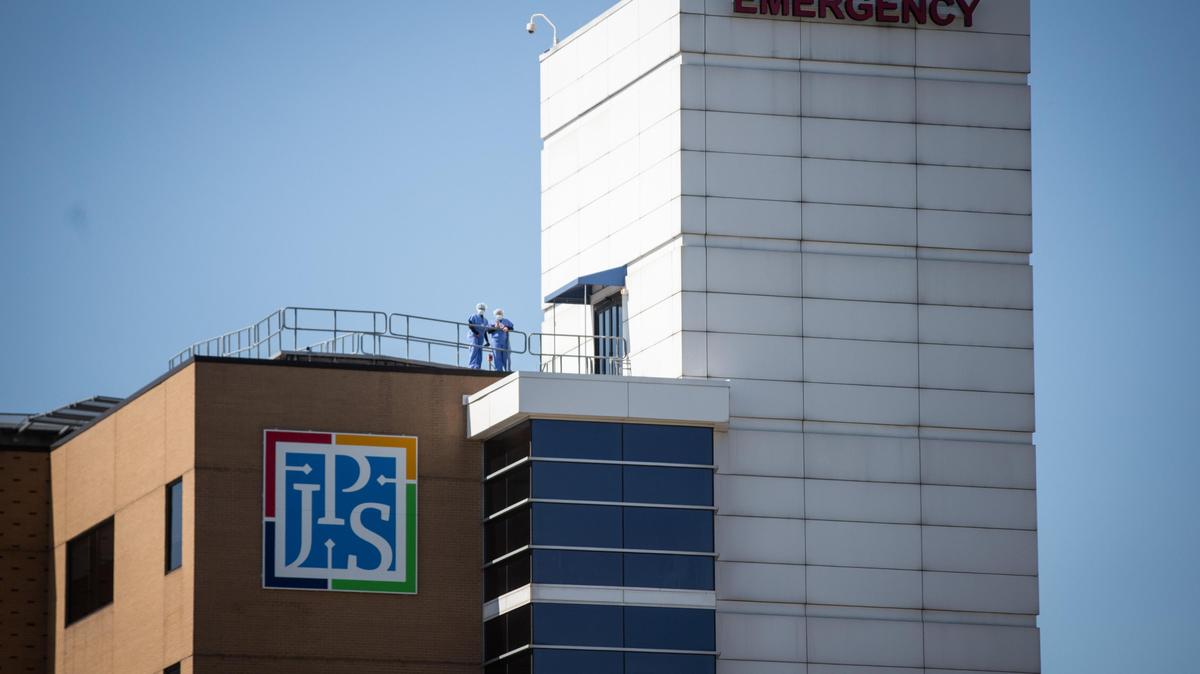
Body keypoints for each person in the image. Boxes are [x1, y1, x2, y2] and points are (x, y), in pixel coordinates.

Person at [467, 303, 490, 370]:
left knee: (479, 351)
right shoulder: (473, 316)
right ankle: (471, 365)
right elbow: (470, 325)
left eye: (483, 309)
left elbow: (485, 331)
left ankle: (478, 366)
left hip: (481, 337)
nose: (481, 310)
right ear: (477, 309)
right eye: (480, 308)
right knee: (474, 348)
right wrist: (475, 332)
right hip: (473, 336)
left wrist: (487, 341)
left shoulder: (485, 321)